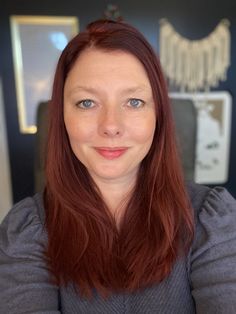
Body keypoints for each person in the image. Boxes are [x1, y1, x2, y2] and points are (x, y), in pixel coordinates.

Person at [0, 19, 236, 314]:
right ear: (62, 118)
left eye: (134, 102)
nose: (111, 126)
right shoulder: (26, 231)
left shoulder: (213, 222)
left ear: (158, 116)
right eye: (87, 103)